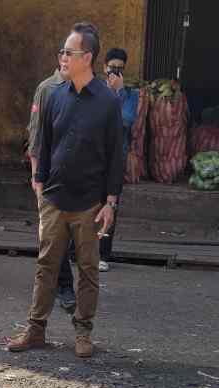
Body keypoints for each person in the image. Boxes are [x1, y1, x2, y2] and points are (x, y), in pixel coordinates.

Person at [8, 22, 123, 360]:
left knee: (88, 269)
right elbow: (42, 141)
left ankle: (83, 332)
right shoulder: (54, 94)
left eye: (68, 52)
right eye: (62, 51)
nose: (62, 57)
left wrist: (111, 202)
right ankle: (36, 329)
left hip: (90, 202)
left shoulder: (107, 101)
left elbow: (117, 154)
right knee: (46, 265)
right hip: (54, 199)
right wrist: (40, 185)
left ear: (86, 58)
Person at [27, 65, 76, 313]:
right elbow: (35, 135)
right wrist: (37, 176)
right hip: (49, 174)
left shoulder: (85, 89)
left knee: (65, 234)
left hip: (75, 175)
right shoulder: (47, 89)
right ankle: (63, 286)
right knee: (51, 235)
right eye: (66, 55)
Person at [98, 47, 133, 272]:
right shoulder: (95, 90)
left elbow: (127, 120)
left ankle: (103, 254)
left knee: (111, 204)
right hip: (94, 155)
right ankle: (77, 250)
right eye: (112, 68)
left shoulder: (131, 94)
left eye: (120, 69)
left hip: (116, 157)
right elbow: (99, 118)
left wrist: (118, 94)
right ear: (104, 67)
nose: (116, 72)